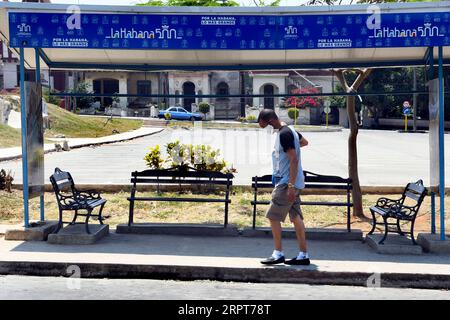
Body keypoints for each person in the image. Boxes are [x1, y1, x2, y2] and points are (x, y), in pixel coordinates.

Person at [257, 109, 310, 266]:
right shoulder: (290, 130)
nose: (268, 130)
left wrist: (290, 186)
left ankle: (278, 253)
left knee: (273, 216)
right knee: (295, 217)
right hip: (293, 181)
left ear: (271, 121)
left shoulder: (284, 134)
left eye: (266, 126)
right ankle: (303, 255)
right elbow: (304, 142)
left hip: (287, 183)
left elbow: (293, 159)